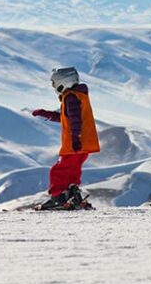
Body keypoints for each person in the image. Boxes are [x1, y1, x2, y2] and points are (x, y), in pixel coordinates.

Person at [32, 67, 101, 210]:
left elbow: (76, 120)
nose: (53, 86)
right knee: (73, 170)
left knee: (58, 171)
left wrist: (76, 139)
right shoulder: (77, 96)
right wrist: (47, 114)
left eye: (54, 83)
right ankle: (73, 197)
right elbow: (67, 117)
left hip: (75, 142)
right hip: (85, 143)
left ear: (63, 82)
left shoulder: (70, 96)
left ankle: (58, 199)